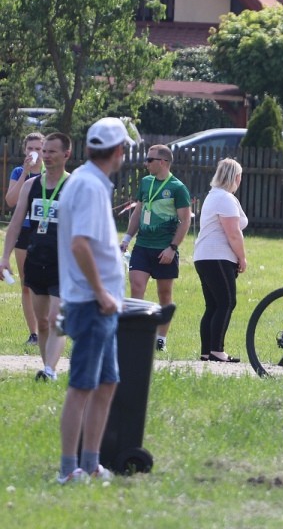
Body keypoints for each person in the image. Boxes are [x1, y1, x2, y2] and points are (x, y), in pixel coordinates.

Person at [54, 118, 130, 483]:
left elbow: (90, 242)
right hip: (91, 302)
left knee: (106, 383)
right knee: (82, 386)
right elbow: (79, 244)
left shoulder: (90, 182)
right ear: (118, 152)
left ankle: (91, 462)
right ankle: (69, 470)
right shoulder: (88, 186)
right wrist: (101, 292)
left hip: (100, 302)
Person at [2, 132, 71, 381]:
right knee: (42, 322)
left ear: (67, 154)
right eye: (45, 151)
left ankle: (50, 369)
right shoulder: (31, 186)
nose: (46, 156)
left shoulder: (73, 186)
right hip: (36, 260)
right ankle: (48, 368)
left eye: (51, 151)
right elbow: (15, 224)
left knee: (55, 318)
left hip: (63, 263)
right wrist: (5, 257)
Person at [119, 144, 192, 352]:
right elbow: (138, 212)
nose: (146, 163)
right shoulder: (145, 183)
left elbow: (185, 221)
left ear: (163, 162)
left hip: (164, 249)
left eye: (150, 160)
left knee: (164, 294)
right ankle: (135, 335)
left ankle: (161, 338)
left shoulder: (178, 188)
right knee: (137, 287)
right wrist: (126, 239)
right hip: (142, 245)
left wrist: (172, 248)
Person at [192, 158, 248, 363]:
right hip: (218, 256)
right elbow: (233, 233)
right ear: (235, 177)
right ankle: (217, 350)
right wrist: (242, 257)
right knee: (226, 302)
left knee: (213, 305)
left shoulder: (213, 196)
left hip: (204, 256)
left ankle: (207, 351)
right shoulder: (225, 198)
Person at [5, 132, 44, 346]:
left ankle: (49, 328)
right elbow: (10, 201)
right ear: (24, 150)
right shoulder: (19, 171)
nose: (34, 152)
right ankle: (34, 333)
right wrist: (25, 174)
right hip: (25, 232)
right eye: (30, 148)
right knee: (27, 284)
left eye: (38, 148)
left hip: (46, 233)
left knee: (48, 284)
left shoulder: (51, 173)